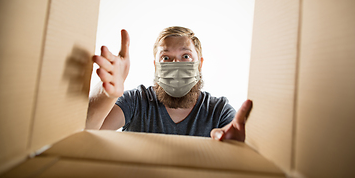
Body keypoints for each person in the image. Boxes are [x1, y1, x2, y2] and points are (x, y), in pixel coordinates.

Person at [86, 26, 252, 141]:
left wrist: (235, 144)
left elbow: (234, 133)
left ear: (200, 64)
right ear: (155, 66)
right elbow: (87, 132)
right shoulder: (137, 101)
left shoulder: (218, 110)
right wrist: (107, 94)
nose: (176, 64)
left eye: (185, 56)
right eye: (165, 58)